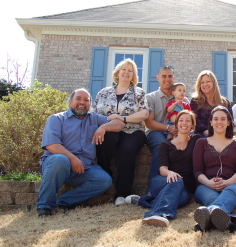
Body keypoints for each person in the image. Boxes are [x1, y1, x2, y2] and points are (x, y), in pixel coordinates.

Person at [36, 89, 125, 216]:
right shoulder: (56, 119)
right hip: (56, 165)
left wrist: (103, 127)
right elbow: (51, 145)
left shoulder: (94, 118)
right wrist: (72, 159)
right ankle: (44, 206)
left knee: (104, 180)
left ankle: (64, 202)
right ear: (70, 101)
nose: (82, 102)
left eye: (86, 100)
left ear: (90, 104)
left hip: (84, 168)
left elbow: (119, 124)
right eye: (78, 99)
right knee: (60, 160)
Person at [91, 59, 149, 206]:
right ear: (117, 73)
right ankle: (105, 176)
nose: (126, 72)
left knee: (127, 149)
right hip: (109, 129)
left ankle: (122, 194)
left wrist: (123, 119)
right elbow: (94, 113)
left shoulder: (139, 93)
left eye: (130, 71)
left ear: (133, 76)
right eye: (124, 69)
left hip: (133, 130)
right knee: (106, 138)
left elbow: (144, 114)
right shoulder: (103, 93)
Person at [136, 111, 200, 227]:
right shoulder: (165, 144)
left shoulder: (196, 141)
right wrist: (170, 173)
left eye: (187, 121)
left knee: (182, 199)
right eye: (181, 120)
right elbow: (162, 169)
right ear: (176, 124)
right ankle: (158, 214)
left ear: (192, 125)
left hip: (184, 188)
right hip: (162, 181)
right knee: (177, 180)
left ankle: (143, 200)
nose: (184, 123)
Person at [193, 106, 236, 232]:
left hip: (234, 186)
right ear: (211, 122)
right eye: (216, 119)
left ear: (228, 122)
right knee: (213, 198)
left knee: (229, 193)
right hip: (206, 186)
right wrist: (208, 183)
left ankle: (208, 217)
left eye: (223, 119)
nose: (219, 122)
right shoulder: (201, 143)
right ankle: (228, 220)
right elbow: (197, 171)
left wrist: (227, 182)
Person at [145, 66, 190, 192]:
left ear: (173, 78)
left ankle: (186, 186)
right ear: (158, 78)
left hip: (179, 132)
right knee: (161, 145)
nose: (167, 79)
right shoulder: (151, 98)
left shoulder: (182, 99)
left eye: (170, 76)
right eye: (164, 76)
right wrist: (168, 128)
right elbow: (149, 123)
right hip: (156, 131)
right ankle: (154, 188)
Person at [190, 70, 232, 137]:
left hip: (222, 134)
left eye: (208, 81)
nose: (205, 84)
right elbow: (195, 120)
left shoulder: (224, 102)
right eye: (202, 82)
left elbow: (230, 120)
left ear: (214, 83)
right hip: (202, 135)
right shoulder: (195, 101)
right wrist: (207, 132)